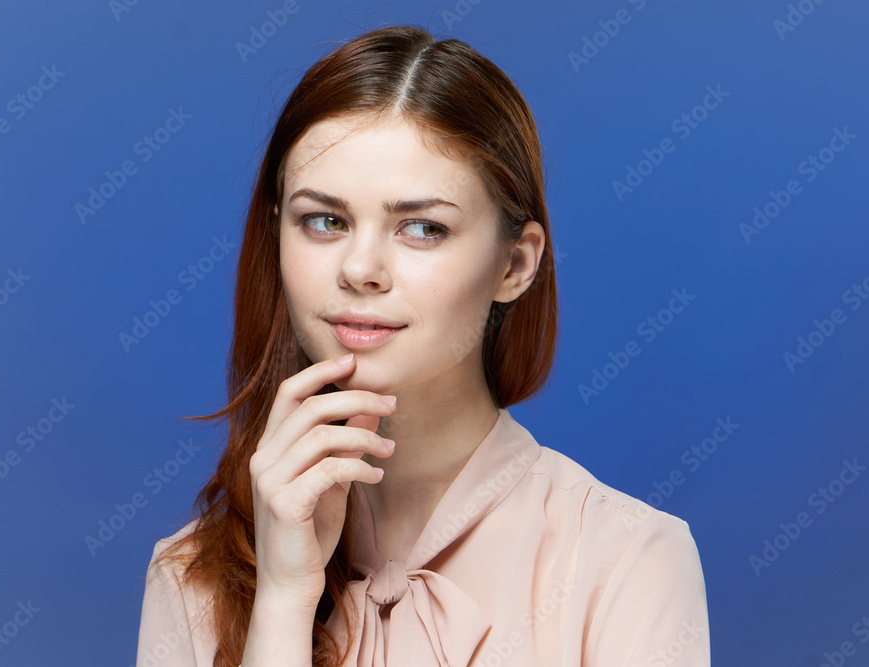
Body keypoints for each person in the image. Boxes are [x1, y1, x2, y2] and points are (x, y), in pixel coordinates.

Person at [135, 24, 710, 667]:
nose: (360, 269)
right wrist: (283, 604)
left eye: (422, 228)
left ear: (515, 265)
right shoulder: (191, 577)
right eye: (324, 220)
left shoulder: (625, 560)